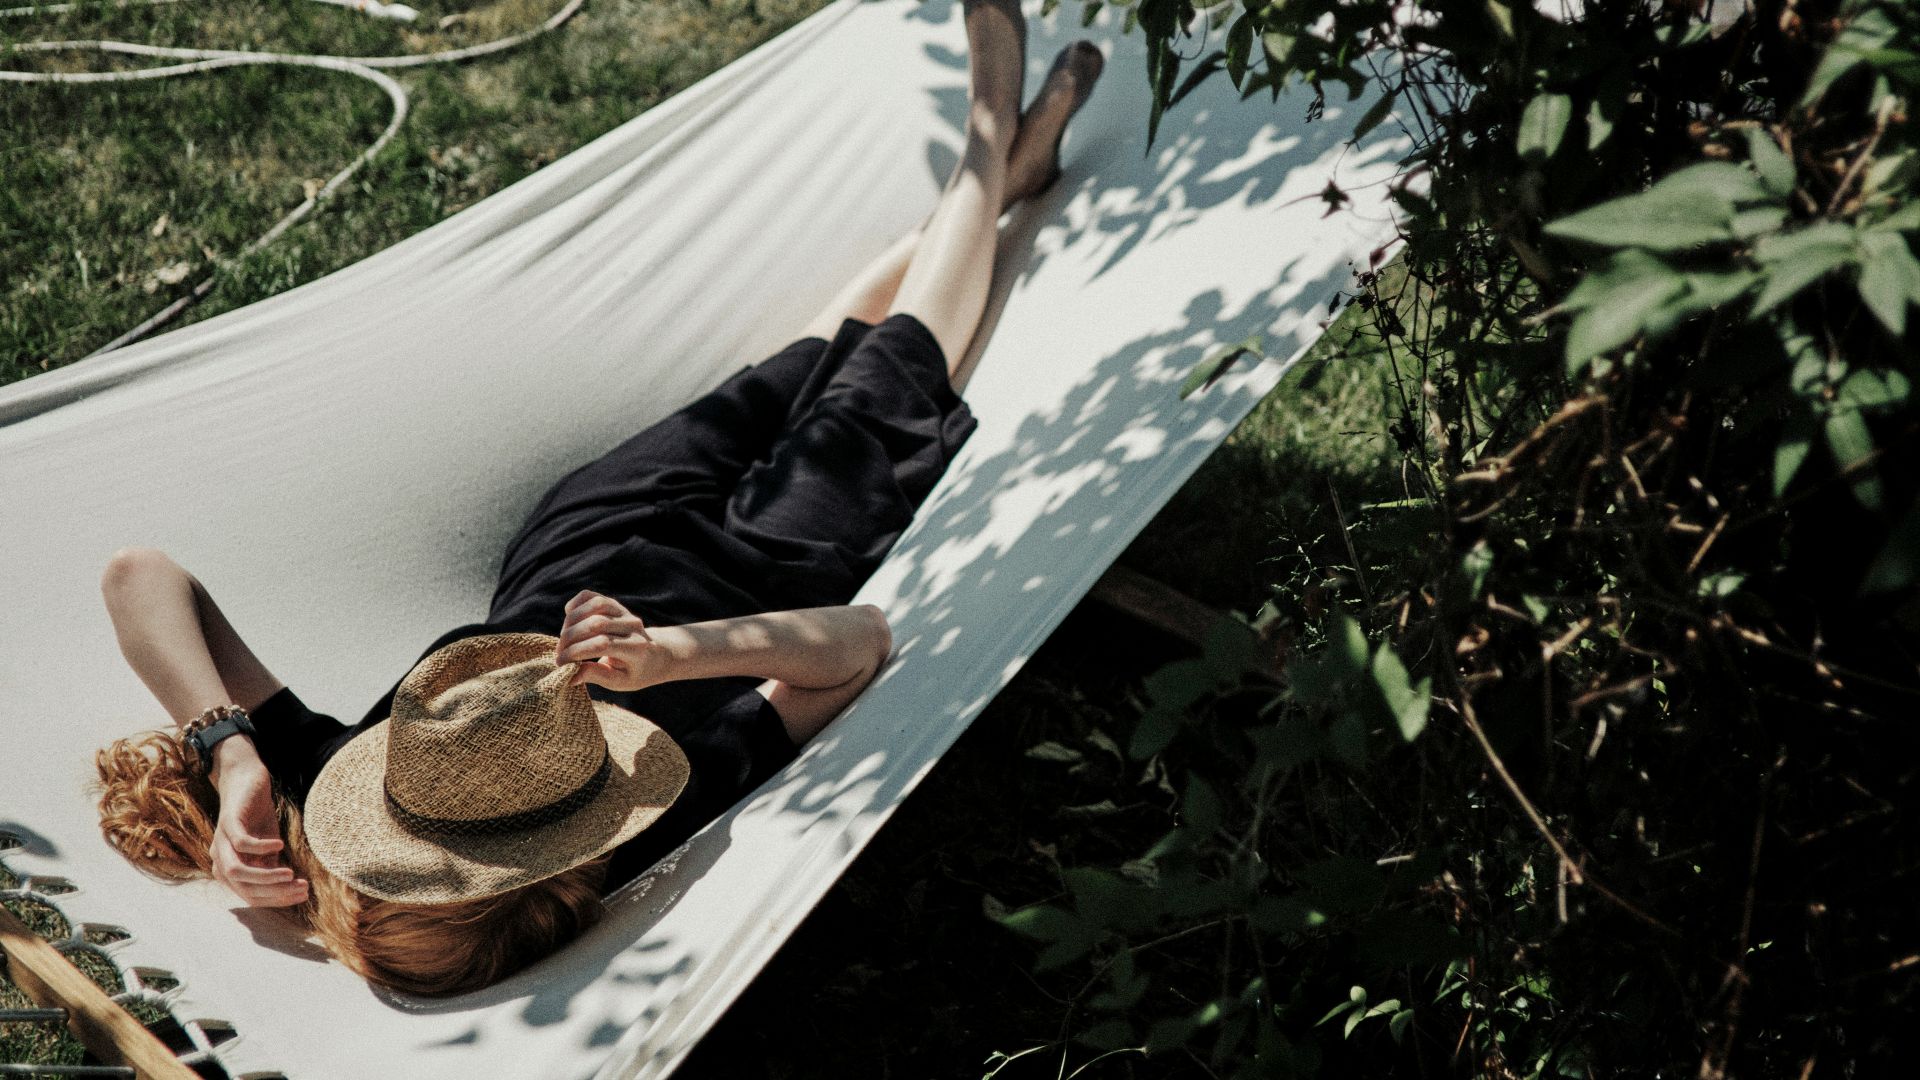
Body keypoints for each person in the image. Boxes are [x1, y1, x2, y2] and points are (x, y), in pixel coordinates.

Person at [91, 0, 1104, 997]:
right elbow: (856, 646)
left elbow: (141, 578)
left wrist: (233, 759)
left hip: (576, 552)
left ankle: (1003, 176)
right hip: (757, 571)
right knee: (894, 369)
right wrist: (679, 655)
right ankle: (990, 124)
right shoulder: (630, 823)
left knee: (802, 359)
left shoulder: (354, 829)